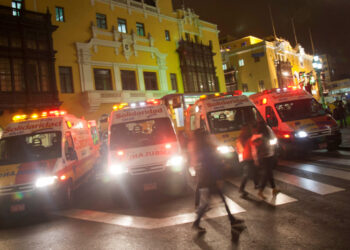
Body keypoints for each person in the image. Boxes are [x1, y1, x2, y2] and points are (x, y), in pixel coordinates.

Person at [192, 129, 243, 233]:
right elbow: (211, 166)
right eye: (207, 136)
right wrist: (218, 178)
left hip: (206, 179)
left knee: (216, 201)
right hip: (210, 180)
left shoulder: (200, 148)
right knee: (209, 202)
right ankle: (197, 223)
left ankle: (232, 220)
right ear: (204, 137)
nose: (209, 137)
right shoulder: (206, 149)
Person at [251, 122, 279, 200]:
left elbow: (255, 150)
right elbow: (255, 150)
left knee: (269, 173)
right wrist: (256, 159)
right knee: (267, 174)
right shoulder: (258, 136)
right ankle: (260, 191)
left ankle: (274, 189)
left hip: (267, 156)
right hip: (265, 157)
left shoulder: (259, 136)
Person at [236, 125, 257, 197]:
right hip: (247, 158)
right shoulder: (243, 138)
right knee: (247, 173)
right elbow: (241, 149)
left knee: (253, 170)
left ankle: (256, 184)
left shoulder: (244, 138)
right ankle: (241, 189)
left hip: (248, 157)